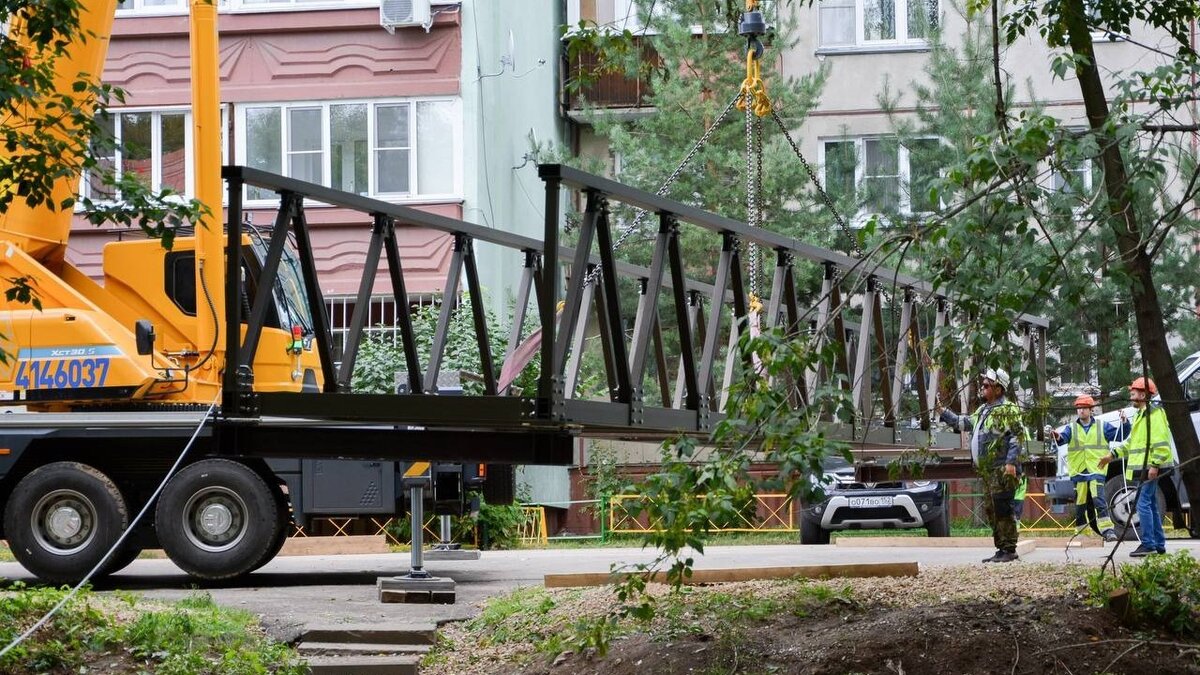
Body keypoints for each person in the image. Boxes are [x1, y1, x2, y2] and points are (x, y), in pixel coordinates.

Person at [940, 368, 1027, 563]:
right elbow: (963, 423)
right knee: (992, 509)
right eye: (984, 384)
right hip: (989, 471)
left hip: (1001, 470)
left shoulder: (1008, 410)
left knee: (1003, 508)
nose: (983, 387)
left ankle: (1009, 549)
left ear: (999, 389)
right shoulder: (984, 410)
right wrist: (942, 412)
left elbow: (1017, 436)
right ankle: (1001, 548)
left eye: (987, 385)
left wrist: (1011, 463)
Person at [1099, 377, 1173, 557]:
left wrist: (1155, 465)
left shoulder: (1154, 414)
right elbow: (1131, 443)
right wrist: (1112, 455)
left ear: (1143, 394)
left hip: (1149, 468)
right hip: (1145, 469)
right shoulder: (1141, 415)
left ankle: (1149, 544)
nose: (1131, 397)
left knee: (1143, 505)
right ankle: (1158, 544)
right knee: (1150, 505)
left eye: (1133, 393)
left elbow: (1161, 442)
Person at [1048, 395, 1127, 541]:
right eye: (1079, 408)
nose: (1081, 411)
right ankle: (1082, 533)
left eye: (1084, 408)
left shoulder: (1102, 426)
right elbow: (1062, 439)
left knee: (1099, 499)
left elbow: (1121, 435)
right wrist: (1056, 436)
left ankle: (1108, 530)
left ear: (1091, 410)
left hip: (1097, 469)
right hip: (1079, 471)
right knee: (1080, 503)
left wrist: (1125, 423)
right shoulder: (1071, 428)